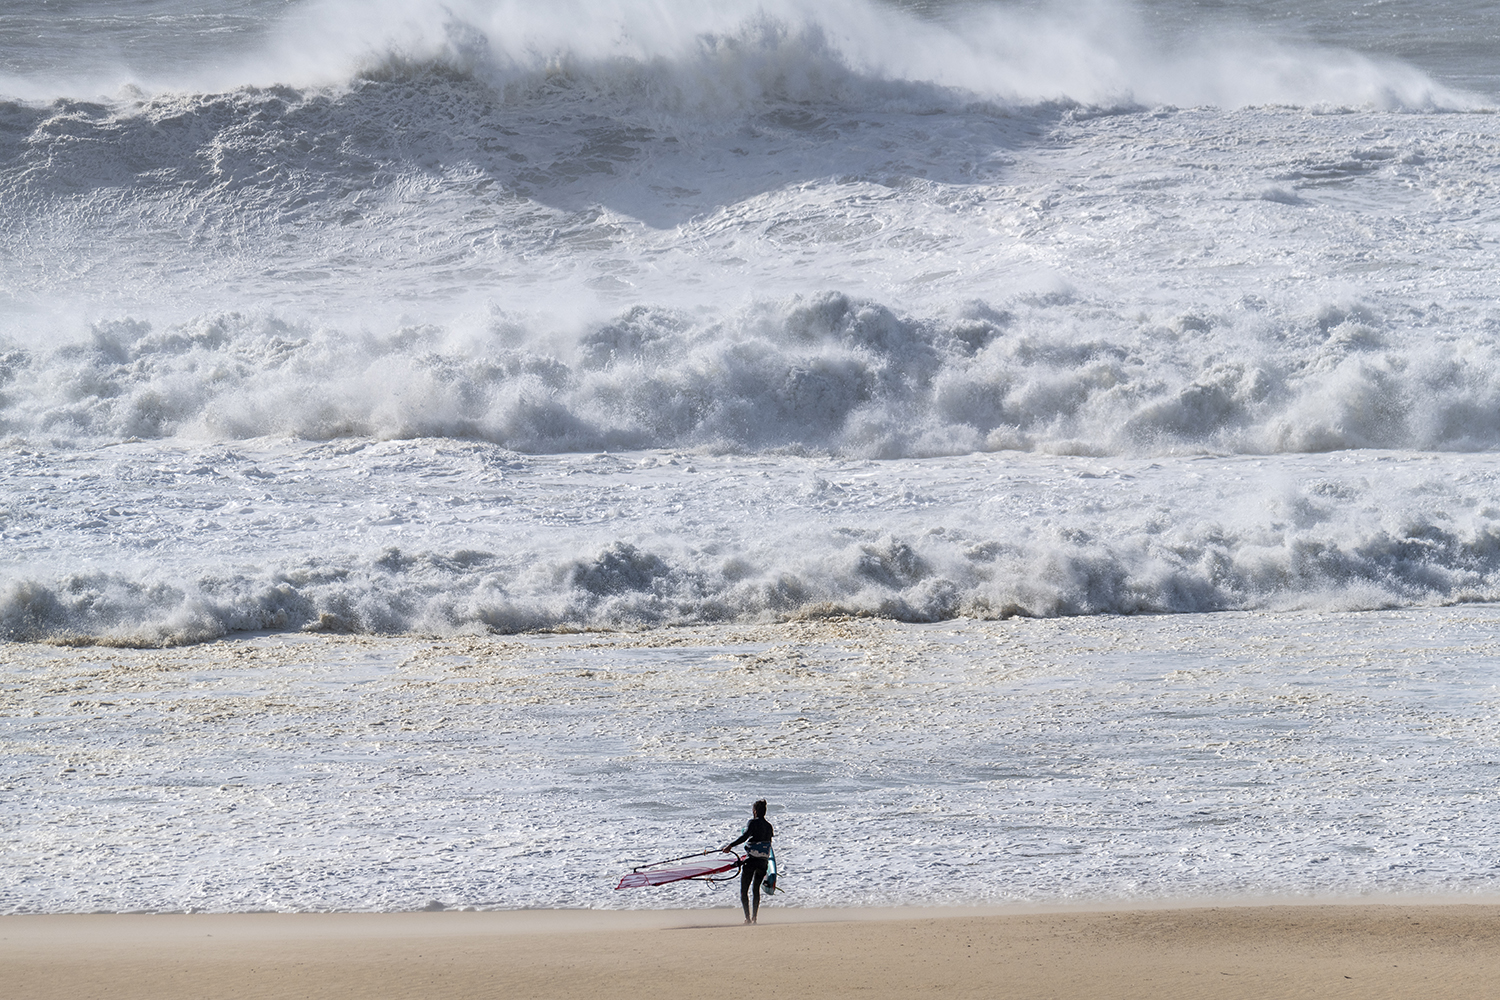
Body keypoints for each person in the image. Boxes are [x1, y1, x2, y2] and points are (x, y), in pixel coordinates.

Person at [723, 799, 774, 924]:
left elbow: (744, 837)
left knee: (744, 890)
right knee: (756, 890)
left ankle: (747, 918)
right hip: (763, 862)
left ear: (755, 811)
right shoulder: (769, 826)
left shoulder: (752, 822)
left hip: (751, 861)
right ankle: (755, 917)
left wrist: (730, 845)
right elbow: (768, 845)